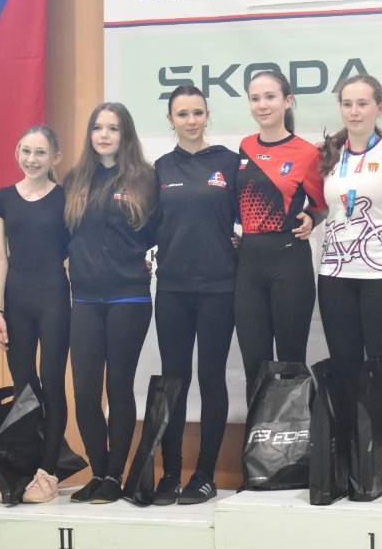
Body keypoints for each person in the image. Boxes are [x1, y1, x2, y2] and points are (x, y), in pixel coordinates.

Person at [63, 103, 159, 504]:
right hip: (85, 298)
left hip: (128, 296)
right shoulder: (74, 179)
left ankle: (115, 476)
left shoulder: (144, 178)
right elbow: (62, 234)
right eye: (98, 128)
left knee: (119, 387)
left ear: (126, 134)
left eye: (113, 128)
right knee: (85, 393)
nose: (104, 135)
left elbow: (160, 229)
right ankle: (98, 472)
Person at [151, 85, 239, 505]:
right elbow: (145, 227)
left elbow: (255, 214)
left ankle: (205, 475)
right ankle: (169, 473)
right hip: (172, 289)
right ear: (170, 119)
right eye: (182, 114)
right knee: (174, 381)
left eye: (197, 112)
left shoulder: (229, 162)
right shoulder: (159, 168)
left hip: (219, 288)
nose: (191, 120)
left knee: (211, 378)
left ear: (207, 115)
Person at [317, 75, 382, 425]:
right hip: (334, 273)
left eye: (362, 104)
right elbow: (316, 205)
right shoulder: (328, 155)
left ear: (379, 108)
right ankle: (347, 448)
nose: (354, 111)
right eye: (347, 104)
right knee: (343, 366)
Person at [0, 125, 69, 504]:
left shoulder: (66, 198)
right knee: (25, 387)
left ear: (55, 157)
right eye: (25, 151)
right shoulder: (2, 199)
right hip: (16, 301)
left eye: (40, 152)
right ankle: (28, 466)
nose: (31, 159)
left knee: (52, 384)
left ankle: (48, 472)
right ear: (17, 153)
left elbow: (77, 251)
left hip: (55, 298)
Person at [235, 70, 327, 401]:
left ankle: (293, 436)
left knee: (290, 365)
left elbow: (322, 205)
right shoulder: (245, 147)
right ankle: (258, 437)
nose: (262, 105)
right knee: (254, 367)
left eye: (270, 97)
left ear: (287, 101)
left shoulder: (307, 152)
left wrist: (311, 219)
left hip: (290, 264)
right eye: (255, 98)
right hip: (248, 267)